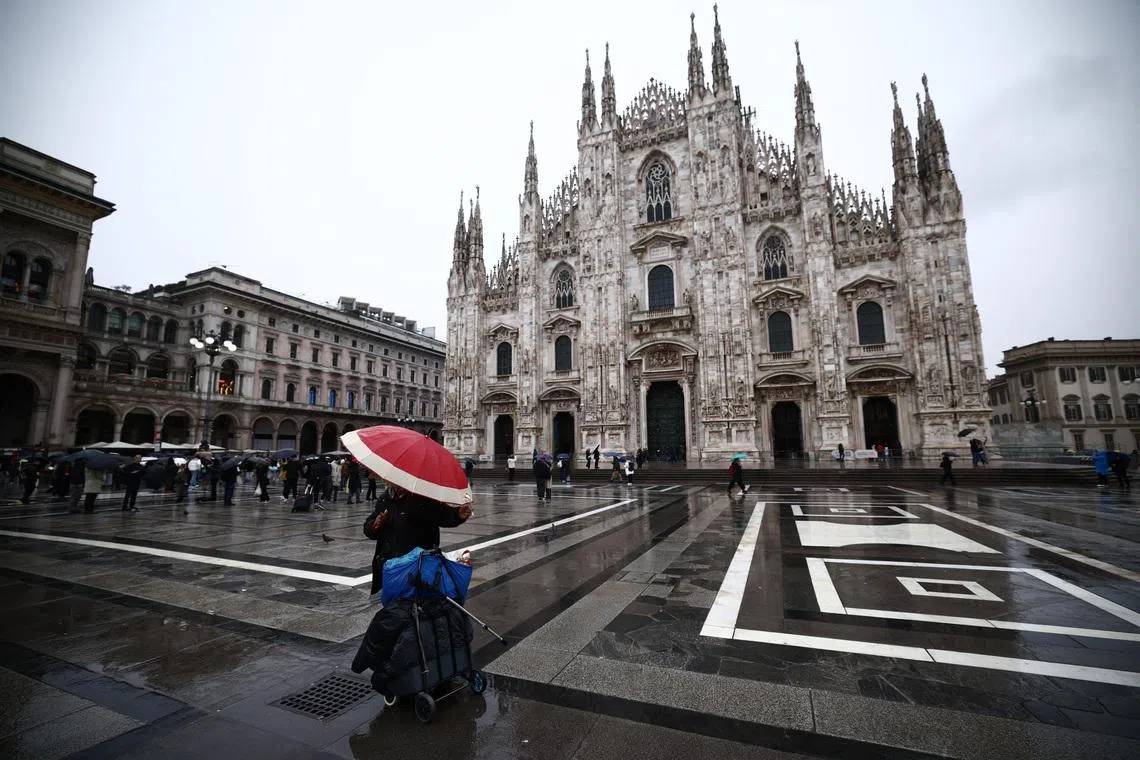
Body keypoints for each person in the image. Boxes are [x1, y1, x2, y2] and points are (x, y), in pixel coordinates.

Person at [362, 484, 474, 595]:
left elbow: (443, 515)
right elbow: (369, 528)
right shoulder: (386, 498)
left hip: (415, 565)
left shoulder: (424, 498)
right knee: (392, 606)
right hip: (390, 566)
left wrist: (457, 514)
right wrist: (374, 524)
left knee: (412, 604)